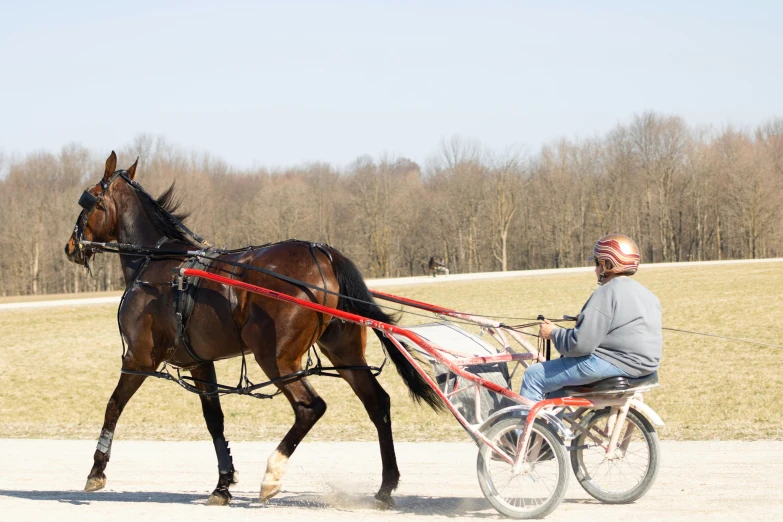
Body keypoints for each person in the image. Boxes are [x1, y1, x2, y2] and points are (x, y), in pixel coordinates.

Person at [518, 234, 662, 406]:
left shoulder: (606, 292)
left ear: (608, 264)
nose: (595, 269)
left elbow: (580, 345)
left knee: (533, 375)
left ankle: (525, 431)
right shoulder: (647, 294)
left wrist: (554, 333)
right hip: (645, 366)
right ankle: (551, 430)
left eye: (597, 263)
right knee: (558, 388)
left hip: (615, 363)